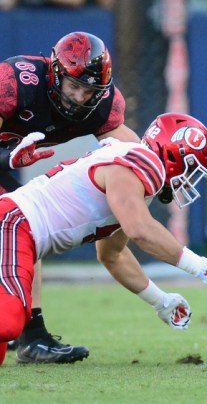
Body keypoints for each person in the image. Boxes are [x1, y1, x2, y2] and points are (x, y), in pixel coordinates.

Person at [0, 113, 207, 366]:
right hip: (13, 224)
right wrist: (203, 268)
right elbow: (141, 230)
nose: (189, 181)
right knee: (8, 324)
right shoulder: (139, 162)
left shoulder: (132, 174)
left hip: (19, 231)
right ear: (174, 155)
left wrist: (160, 300)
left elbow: (112, 255)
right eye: (191, 170)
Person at [0, 31, 141, 363]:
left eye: (89, 91)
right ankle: (30, 334)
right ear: (54, 74)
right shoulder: (13, 84)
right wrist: (7, 159)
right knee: (18, 221)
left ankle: (28, 333)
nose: (80, 98)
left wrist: (157, 176)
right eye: (74, 87)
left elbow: (131, 149)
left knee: (23, 224)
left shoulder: (103, 105)